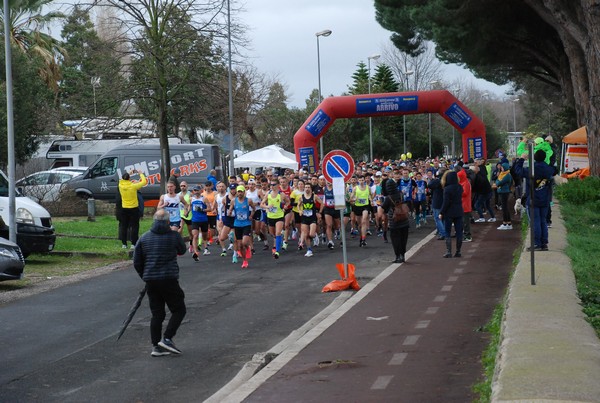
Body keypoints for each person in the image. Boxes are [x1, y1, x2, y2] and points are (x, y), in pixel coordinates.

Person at [133, 209, 187, 357]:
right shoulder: (174, 236)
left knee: (157, 314)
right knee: (179, 309)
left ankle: (156, 346)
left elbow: (137, 261)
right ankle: (167, 338)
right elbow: (182, 250)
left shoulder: (144, 238)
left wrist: (144, 275)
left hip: (151, 280)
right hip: (169, 278)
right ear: (168, 222)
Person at [514, 149, 554, 250]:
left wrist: (522, 159)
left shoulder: (531, 169)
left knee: (535, 221)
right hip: (545, 199)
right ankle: (544, 243)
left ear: (535, 157)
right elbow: (554, 172)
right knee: (543, 221)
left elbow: (517, 171)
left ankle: (536, 243)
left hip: (533, 199)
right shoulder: (548, 169)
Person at [382, 178, 410, 263]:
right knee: (403, 239)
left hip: (394, 221)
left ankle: (398, 256)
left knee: (395, 239)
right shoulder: (401, 194)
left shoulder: (388, 198)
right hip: (404, 220)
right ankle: (403, 255)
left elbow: (384, 208)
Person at [118, 169, 147, 249]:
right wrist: (141, 173)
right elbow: (144, 182)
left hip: (124, 208)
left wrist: (129, 173)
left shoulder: (120, 185)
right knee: (134, 226)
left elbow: (122, 179)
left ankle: (124, 244)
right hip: (133, 208)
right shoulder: (133, 186)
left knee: (124, 226)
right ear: (129, 179)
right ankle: (133, 244)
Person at [439, 170, 464, 258]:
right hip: (459, 211)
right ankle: (458, 251)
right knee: (459, 232)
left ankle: (449, 251)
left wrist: (441, 212)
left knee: (447, 232)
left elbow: (446, 202)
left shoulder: (447, 189)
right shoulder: (460, 187)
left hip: (449, 212)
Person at [494, 162, 513, 230]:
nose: (501, 168)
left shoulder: (507, 175)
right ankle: (508, 223)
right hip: (502, 192)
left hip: (504, 192)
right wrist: (497, 182)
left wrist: (497, 182)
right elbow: (497, 181)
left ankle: (506, 223)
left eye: (502, 167)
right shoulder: (503, 174)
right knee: (505, 207)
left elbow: (499, 182)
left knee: (505, 208)